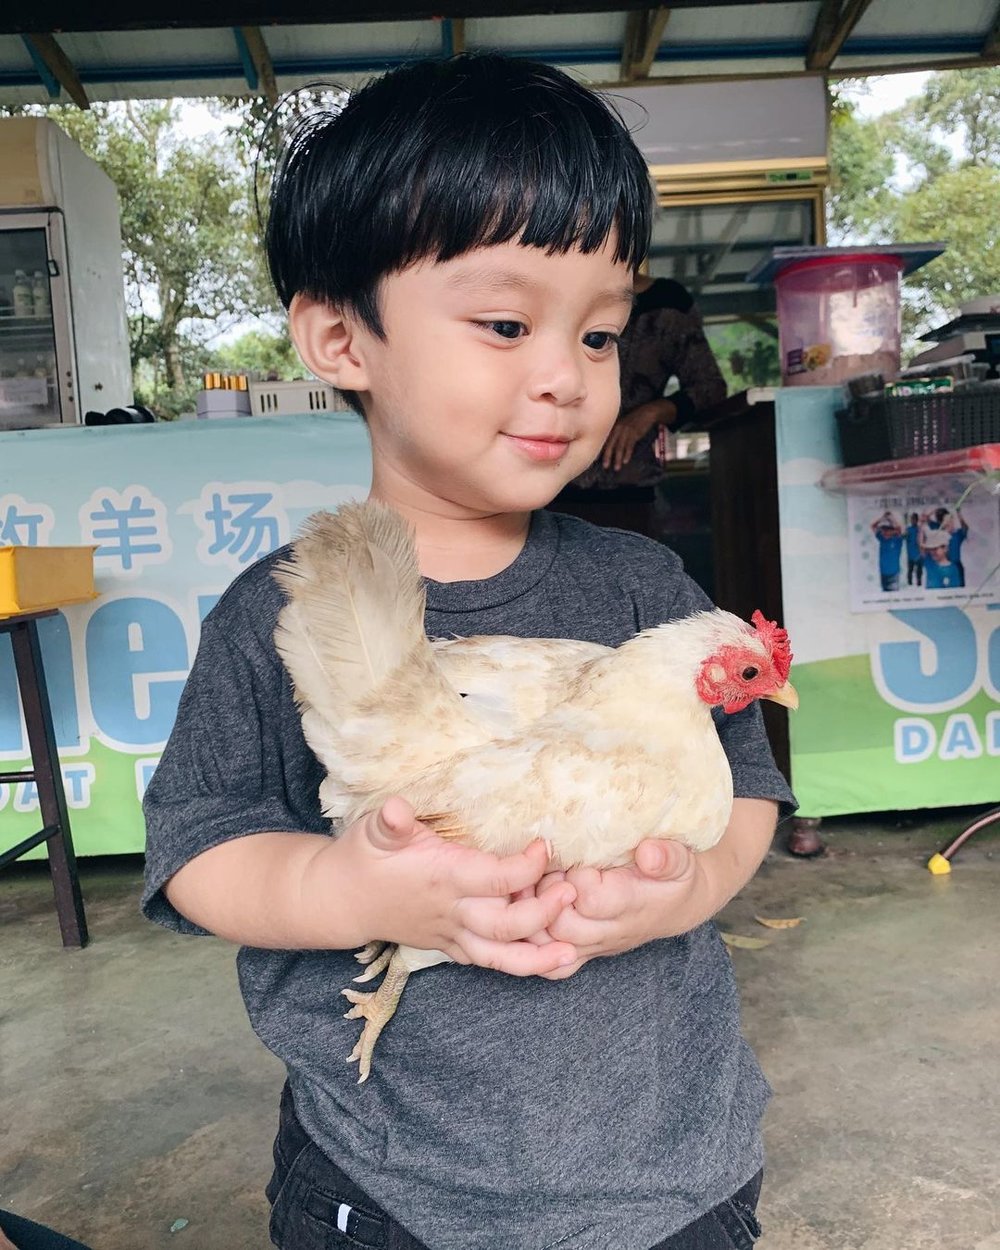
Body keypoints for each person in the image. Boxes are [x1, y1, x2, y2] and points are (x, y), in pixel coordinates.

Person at [142, 54, 795, 1250]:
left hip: (671, 1168)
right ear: (340, 338)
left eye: (598, 334)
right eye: (505, 323)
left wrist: (687, 888)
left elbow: (748, 788)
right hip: (396, 1187)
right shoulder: (288, 609)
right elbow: (198, 845)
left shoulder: (644, 586)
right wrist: (346, 889)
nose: (564, 377)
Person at [550, 271, 726, 537]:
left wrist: (650, 413)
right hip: (550, 489)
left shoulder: (668, 303)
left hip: (629, 493)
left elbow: (710, 388)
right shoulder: (557, 290)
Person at [870, 511, 904, 592]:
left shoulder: (897, 540)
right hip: (883, 573)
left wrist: (891, 518)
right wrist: (882, 518)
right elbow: (873, 526)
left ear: (892, 531)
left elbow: (899, 529)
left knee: (894, 594)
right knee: (885, 593)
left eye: (887, 530)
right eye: (883, 530)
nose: (884, 532)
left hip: (894, 574)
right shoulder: (881, 538)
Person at [947, 508, 969, 586]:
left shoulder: (957, 535)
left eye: (951, 521)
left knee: (960, 586)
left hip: (957, 564)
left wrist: (959, 514)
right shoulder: (940, 535)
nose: (950, 524)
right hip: (944, 566)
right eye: (947, 522)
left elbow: (965, 528)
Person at [905, 511, 923, 586]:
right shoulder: (908, 529)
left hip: (919, 553)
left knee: (919, 571)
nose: (913, 521)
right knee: (910, 570)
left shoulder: (920, 529)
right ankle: (909, 584)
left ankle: (919, 582)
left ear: (917, 520)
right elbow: (904, 537)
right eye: (912, 519)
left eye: (914, 519)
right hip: (910, 554)